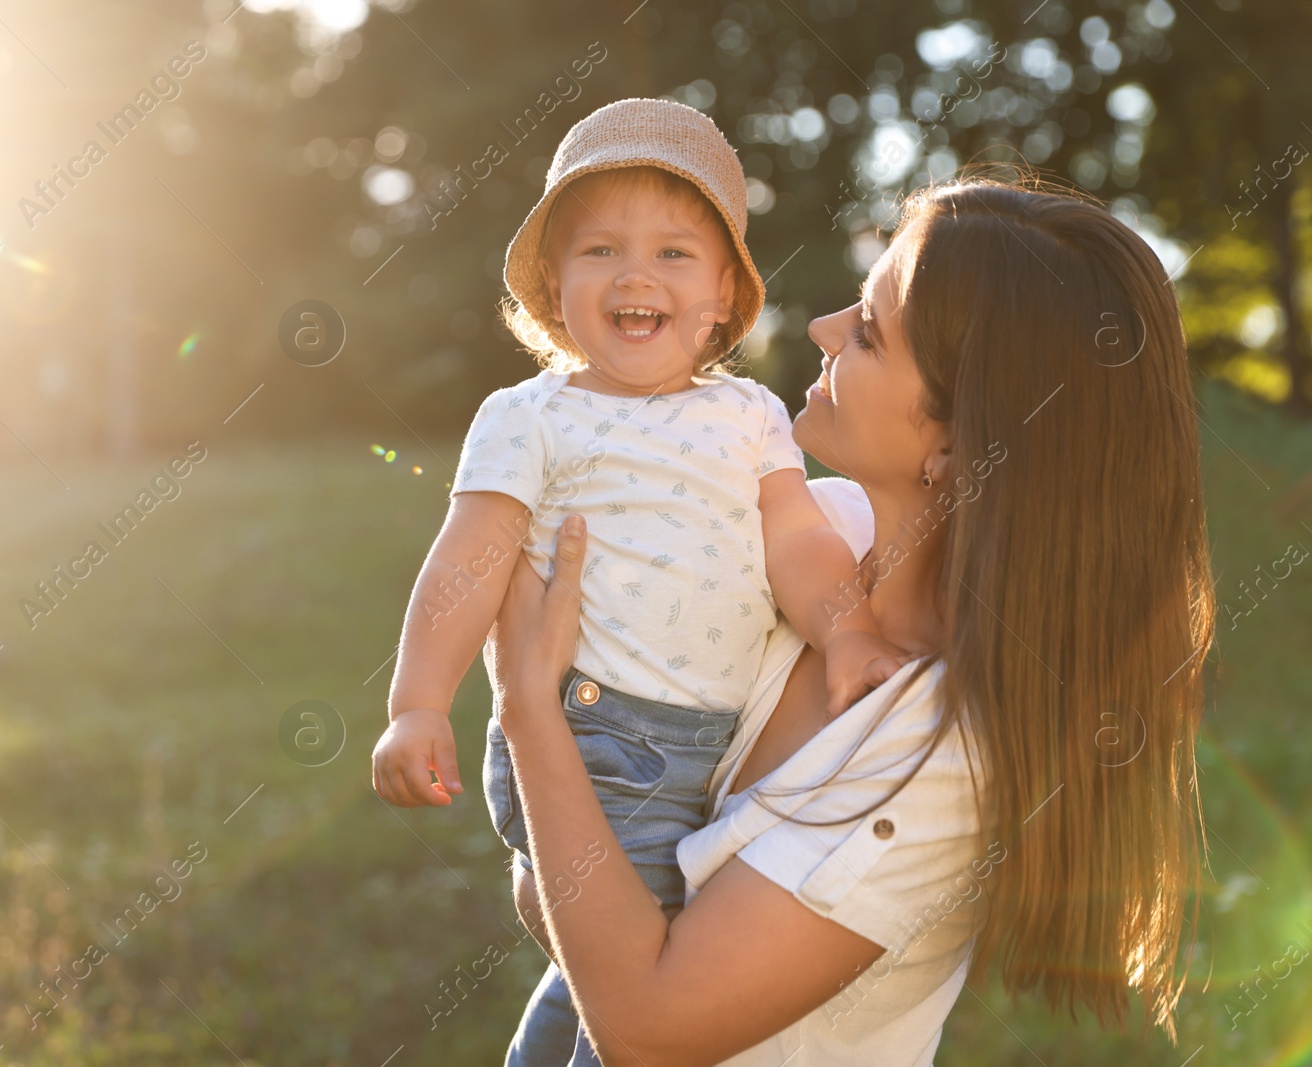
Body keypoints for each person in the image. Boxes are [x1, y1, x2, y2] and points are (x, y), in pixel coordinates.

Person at [483, 176, 1215, 1066]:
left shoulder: (946, 753)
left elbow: (647, 1026)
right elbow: (564, 887)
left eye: (868, 332)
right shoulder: (811, 537)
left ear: (956, 442)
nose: (824, 328)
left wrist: (529, 710)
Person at [372, 97, 908, 1064]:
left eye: (673, 254)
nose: (634, 273)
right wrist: (418, 703)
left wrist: (852, 631)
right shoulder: (531, 415)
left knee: (607, 963)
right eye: (599, 251)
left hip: (705, 742)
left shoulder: (749, 413)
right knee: (650, 977)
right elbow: (468, 558)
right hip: (593, 727)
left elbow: (797, 540)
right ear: (552, 286)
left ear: (722, 299)